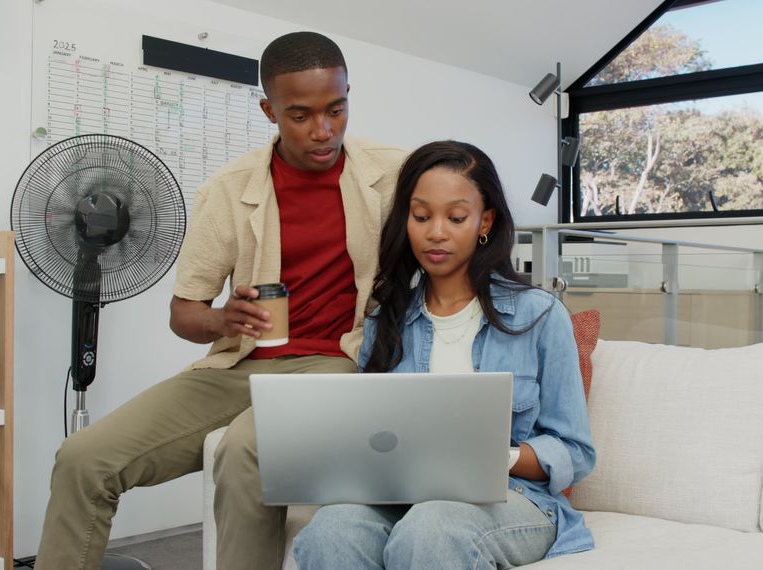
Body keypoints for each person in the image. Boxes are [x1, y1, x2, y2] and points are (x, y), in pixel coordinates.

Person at [33, 31, 407, 570]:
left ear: (349, 96)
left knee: (244, 449)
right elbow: (183, 313)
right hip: (239, 365)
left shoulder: (394, 172)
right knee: (82, 458)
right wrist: (222, 318)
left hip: (337, 363)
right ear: (269, 110)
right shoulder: (230, 190)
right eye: (300, 115)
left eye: (336, 109)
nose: (323, 131)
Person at [292, 141, 597, 569]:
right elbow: (369, 438)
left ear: (484, 221)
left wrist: (496, 455)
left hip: (513, 497)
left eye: (456, 217)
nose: (436, 232)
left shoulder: (540, 315)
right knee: (330, 528)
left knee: (431, 526)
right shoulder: (386, 320)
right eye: (421, 216)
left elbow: (576, 451)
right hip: (402, 497)